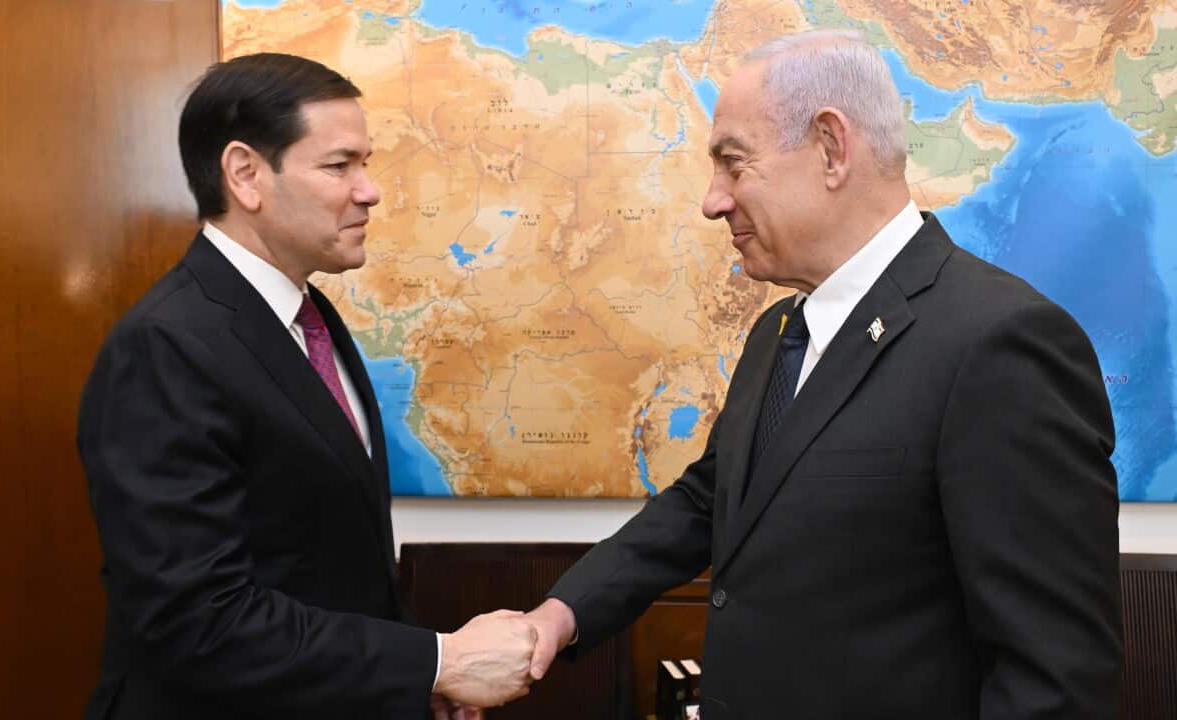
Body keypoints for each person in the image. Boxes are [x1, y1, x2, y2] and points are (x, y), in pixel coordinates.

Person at [525, 30, 1123, 719]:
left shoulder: (1000, 344)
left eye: (733, 164)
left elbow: (1056, 677)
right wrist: (559, 616)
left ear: (832, 148)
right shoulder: (779, 334)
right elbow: (709, 501)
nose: (712, 201)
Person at [77, 53, 534, 719]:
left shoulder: (309, 317)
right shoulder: (165, 347)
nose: (369, 189)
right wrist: (441, 661)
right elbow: (198, 621)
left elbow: (334, 571)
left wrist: (415, 683)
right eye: (339, 165)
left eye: (365, 163)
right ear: (245, 175)